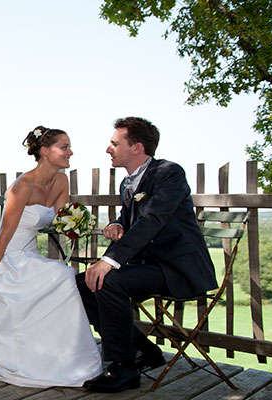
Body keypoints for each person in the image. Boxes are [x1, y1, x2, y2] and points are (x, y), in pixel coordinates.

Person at [77, 117, 218, 393]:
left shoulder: (169, 173)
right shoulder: (127, 183)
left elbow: (152, 220)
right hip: (149, 265)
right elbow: (133, 220)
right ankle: (144, 351)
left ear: (137, 147)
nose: (108, 149)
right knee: (82, 284)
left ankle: (124, 368)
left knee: (109, 282)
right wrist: (117, 223)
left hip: (176, 268)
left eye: (115, 143)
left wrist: (108, 260)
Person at [0, 126, 102, 388]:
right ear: (44, 150)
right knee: (61, 276)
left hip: (28, 256)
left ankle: (65, 357)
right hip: (6, 259)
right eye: (64, 147)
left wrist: (94, 228)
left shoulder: (61, 180)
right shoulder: (21, 187)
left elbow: (65, 222)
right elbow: (4, 233)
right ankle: (40, 358)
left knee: (63, 276)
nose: (70, 152)